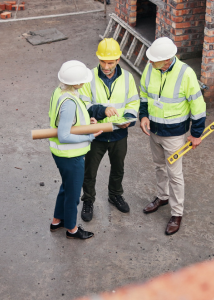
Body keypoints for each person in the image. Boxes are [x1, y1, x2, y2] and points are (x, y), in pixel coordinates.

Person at [139, 37, 206, 235]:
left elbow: (198, 105)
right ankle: (162, 196)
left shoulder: (186, 74)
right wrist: (143, 116)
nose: (150, 63)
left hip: (174, 135)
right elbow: (144, 94)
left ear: (168, 60)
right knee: (159, 166)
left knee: (175, 175)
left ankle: (177, 213)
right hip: (154, 131)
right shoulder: (151, 68)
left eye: (154, 61)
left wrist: (196, 133)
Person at [78, 38, 140, 222]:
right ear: (98, 59)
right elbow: (83, 103)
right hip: (96, 134)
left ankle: (115, 195)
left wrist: (128, 119)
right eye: (103, 61)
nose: (106, 66)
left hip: (119, 134)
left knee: (118, 168)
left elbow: (133, 102)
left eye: (110, 62)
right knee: (90, 171)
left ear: (118, 60)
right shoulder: (89, 77)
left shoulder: (128, 78)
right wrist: (102, 110)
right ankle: (88, 200)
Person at [49, 60, 104, 239]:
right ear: (76, 82)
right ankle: (72, 229)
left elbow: (70, 121)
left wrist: (87, 121)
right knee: (73, 193)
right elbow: (64, 135)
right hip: (70, 155)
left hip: (61, 153)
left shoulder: (60, 91)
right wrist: (89, 136)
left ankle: (57, 220)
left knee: (66, 187)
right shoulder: (69, 102)